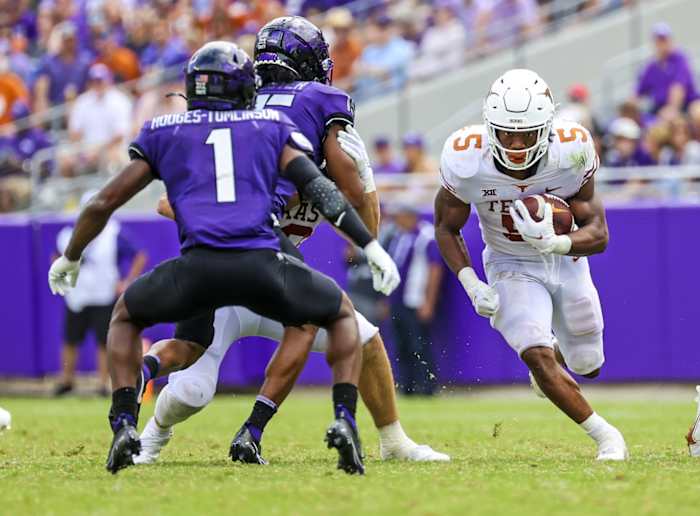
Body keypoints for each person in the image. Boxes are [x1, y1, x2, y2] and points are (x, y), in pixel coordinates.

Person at [48, 41, 399, 475]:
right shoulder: (270, 126)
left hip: (201, 268)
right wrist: (369, 243)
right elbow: (324, 191)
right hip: (261, 260)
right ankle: (343, 419)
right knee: (338, 316)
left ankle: (124, 420)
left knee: (125, 319)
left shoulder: (166, 130)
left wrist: (70, 256)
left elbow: (104, 201)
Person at [134, 17, 448, 467]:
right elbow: (363, 216)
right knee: (194, 388)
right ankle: (160, 436)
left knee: (363, 337)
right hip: (247, 260)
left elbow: (167, 203)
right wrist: (246, 208)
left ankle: (392, 442)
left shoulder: (247, 117)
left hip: (258, 267)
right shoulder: (316, 108)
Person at [435, 68, 628, 461]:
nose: (517, 144)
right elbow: (445, 226)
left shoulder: (572, 150)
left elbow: (599, 233)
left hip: (566, 259)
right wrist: (472, 282)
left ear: (549, 128)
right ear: (490, 127)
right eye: (507, 132)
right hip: (509, 263)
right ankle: (607, 437)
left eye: (527, 133)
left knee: (588, 363)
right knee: (534, 351)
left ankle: (555, 359)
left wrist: (558, 241)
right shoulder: (465, 156)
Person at [54, 191, 147, 397]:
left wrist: (127, 281)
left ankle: (103, 382)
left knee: (103, 341)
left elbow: (139, 255)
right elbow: (57, 256)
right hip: (77, 295)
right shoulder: (67, 233)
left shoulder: (114, 232)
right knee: (70, 339)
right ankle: (67, 380)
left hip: (103, 293)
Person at [384, 203, 444, 396]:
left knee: (419, 345)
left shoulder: (425, 236)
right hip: (398, 300)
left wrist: (428, 301)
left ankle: (427, 387)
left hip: (416, 299)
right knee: (401, 344)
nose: (396, 221)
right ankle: (407, 387)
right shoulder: (400, 236)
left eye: (400, 216)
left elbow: (435, 269)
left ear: (410, 216)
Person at [61, 64, 133, 177]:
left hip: (112, 148)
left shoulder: (120, 101)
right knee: (65, 158)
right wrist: (84, 151)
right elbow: (74, 133)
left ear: (108, 81)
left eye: (100, 81)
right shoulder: (82, 102)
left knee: (115, 157)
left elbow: (120, 135)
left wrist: (99, 151)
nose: (97, 85)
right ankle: (72, 193)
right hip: (87, 149)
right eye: (94, 81)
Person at [635, 22, 698, 114]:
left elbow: (678, 89)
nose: (662, 44)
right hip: (660, 108)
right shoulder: (651, 67)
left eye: (664, 39)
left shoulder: (680, 59)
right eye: (659, 40)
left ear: (670, 40)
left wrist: (671, 109)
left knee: (697, 112)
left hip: (687, 104)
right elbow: (638, 92)